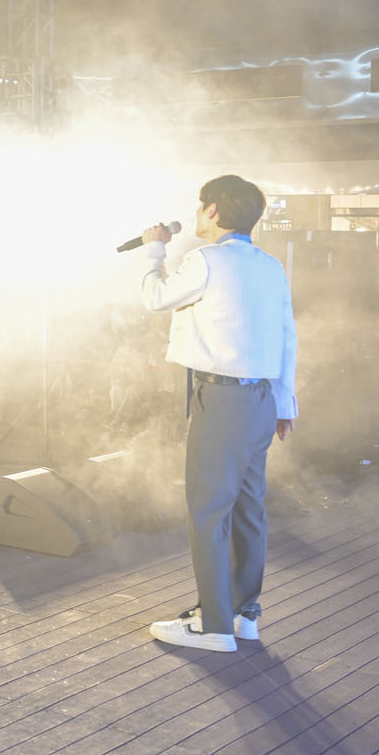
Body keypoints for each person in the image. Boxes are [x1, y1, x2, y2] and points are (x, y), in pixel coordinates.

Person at [139, 174, 298, 654]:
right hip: (261, 399)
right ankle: (244, 615)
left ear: (212, 211)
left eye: (199, 206)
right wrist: (284, 404)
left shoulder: (206, 259)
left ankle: (213, 626)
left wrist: (153, 250)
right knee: (249, 509)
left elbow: (154, 297)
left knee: (209, 512)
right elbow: (287, 337)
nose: (196, 214)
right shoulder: (271, 266)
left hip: (223, 399)